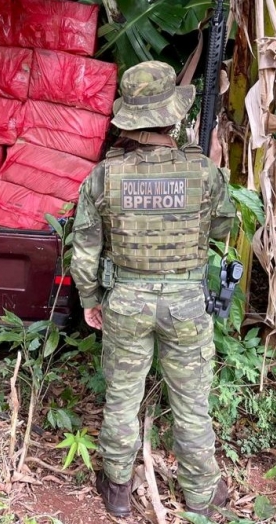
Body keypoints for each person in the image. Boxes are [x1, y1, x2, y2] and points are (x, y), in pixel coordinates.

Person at [70, 60, 237, 518]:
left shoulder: (105, 176)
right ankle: (202, 492)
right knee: (191, 402)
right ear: (171, 114)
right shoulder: (202, 172)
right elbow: (223, 227)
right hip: (185, 302)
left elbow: (84, 248)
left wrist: (89, 300)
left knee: (122, 398)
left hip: (126, 301)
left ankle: (119, 489)